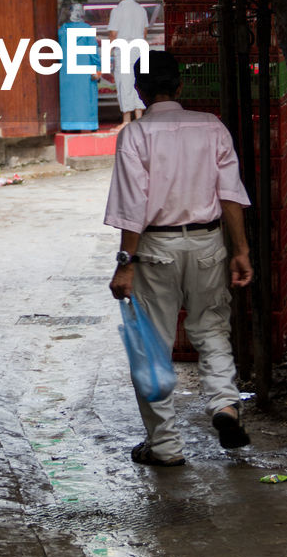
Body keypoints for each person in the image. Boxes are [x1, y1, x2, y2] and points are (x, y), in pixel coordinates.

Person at [105, 50, 254, 466]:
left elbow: (133, 206)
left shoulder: (135, 135)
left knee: (153, 346)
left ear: (139, 90)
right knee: (211, 329)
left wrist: (125, 263)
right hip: (208, 244)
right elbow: (230, 197)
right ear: (181, 86)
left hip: (156, 249)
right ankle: (225, 404)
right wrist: (239, 251)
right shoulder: (212, 127)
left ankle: (166, 447)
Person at [106, 0, 149, 125]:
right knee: (138, 82)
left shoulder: (117, 11)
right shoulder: (141, 10)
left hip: (123, 50)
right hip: (139, 51)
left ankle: (126, 120)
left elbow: (113, 34)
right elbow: (144, 32)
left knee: (124, 84)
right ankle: (139, 117)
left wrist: (108, 53)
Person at [57, 0, 101, 131]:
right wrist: (97, 68)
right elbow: (93, 52)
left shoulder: (62, 31)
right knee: (86, 97)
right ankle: (89, 125)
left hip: (66, 70)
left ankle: (68, 125)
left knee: (69, 98)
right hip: (84, 68)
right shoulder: (87, 29)